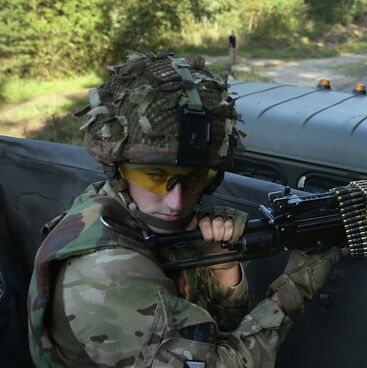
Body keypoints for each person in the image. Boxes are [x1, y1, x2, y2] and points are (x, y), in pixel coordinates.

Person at [27, 51, 343, 367]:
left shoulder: (131, 217)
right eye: (154, 177)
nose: (176, 202)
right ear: (118, 170)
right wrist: (292, 292)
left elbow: (213, 329)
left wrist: (220, 263)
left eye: (194, 179)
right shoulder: (109, 272)